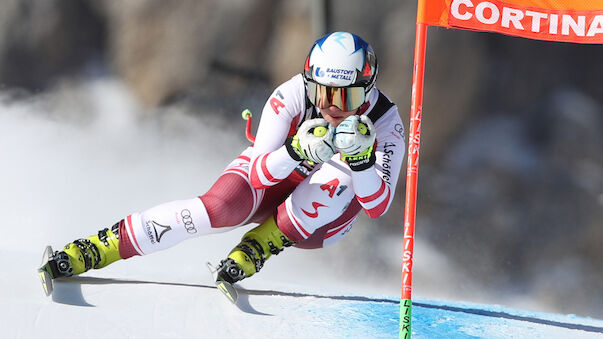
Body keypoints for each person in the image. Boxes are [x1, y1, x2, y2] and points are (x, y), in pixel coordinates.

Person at [41, 31, 405, 287]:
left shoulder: (387, 122)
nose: (332, 109)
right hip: (276, 175)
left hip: (319, 223)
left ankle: (261, 244)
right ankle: (99, 247)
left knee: (340, 176)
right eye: (323, 96)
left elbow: (377, 206)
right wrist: (295, 150)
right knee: (214, 210)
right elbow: (261, 173)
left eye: (347, 98)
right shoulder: (292, 94)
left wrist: (360, 160)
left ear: (368, 91)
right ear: (309, 84)